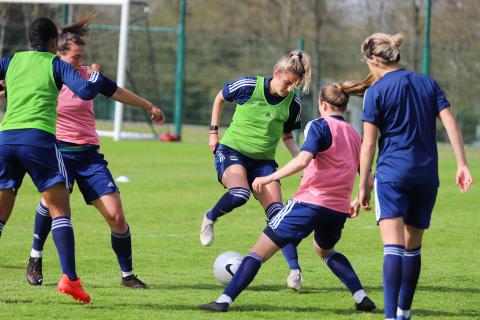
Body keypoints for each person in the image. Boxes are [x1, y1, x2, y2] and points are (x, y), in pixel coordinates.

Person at [0, 17, 162, 303]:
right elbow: (22, 90)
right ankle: (39, 260)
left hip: (86, 155)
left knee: (116, 215)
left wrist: (148, 105)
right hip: (53, 149)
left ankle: (127, 274)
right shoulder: (55, 70)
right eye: (75, 57)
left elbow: (114, 91)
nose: (80, 63)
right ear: (57, 51)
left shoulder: (76, 72)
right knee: (54, 207)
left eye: (82, 58)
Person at [199, 76, 377, 313]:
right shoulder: (355, 135)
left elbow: (303, 160)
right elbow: (368, 175)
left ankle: (223, 301)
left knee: (257, 252)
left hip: (309, 203)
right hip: (337, 210)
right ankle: (361, 297)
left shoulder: (319, 126)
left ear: (322, 104)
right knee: (325, 250)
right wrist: (358, 198)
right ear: (344, 106)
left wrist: (270, 177)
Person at [357, 33, 473, 320]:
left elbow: (369, 144)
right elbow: (449, 122)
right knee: (413, 247)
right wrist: (462, 164)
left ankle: (389, 317)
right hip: (426, 176)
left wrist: (362, 185)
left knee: (393, 248)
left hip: (393, 174)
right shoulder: (427, 83)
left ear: (373, 59)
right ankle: (404, 313)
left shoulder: (376, 91)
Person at [200, 50, 311, 291]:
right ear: (276, 73)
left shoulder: (293, 102)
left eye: (295, 84)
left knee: (279, 217)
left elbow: (288, 135)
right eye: (287, 82)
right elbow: (220, 97)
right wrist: (213, 132)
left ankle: (295, 271)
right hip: (232, 152)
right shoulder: (248, 85)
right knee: (240, 194)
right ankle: (210, 217)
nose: (290, 88)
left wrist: (303, 161)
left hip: (263, 163)